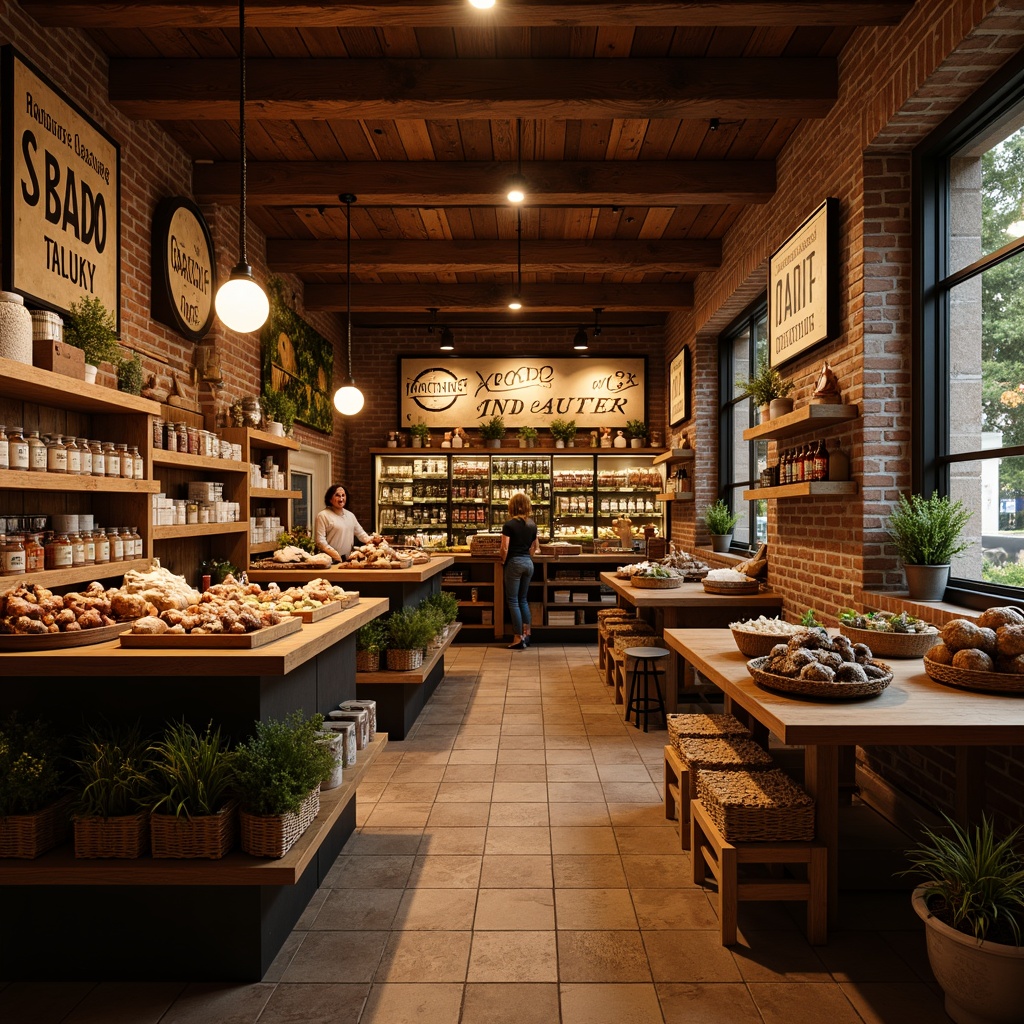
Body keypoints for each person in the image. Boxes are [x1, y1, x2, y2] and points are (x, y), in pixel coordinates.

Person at [500, 491, 540, 650]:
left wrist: (504, 561)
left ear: (512, 507)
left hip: (514, 563)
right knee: (523, 600)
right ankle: (527, 634)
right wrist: (527, 557)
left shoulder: (509, 525)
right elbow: (535, 547)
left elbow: (504, 548)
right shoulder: (532, 524)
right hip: (528, 564)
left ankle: (517, 637)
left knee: (513, 600)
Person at [315, 484, 379, 561]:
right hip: (329, 560)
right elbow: (320, 541)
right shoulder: (323, 516)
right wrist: (334, 554)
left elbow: (361, 534)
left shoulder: (350, 515)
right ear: (330, 499)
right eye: (337, 496)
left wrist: (375, 540)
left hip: (348, 559)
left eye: (343, 495)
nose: (341, 499)